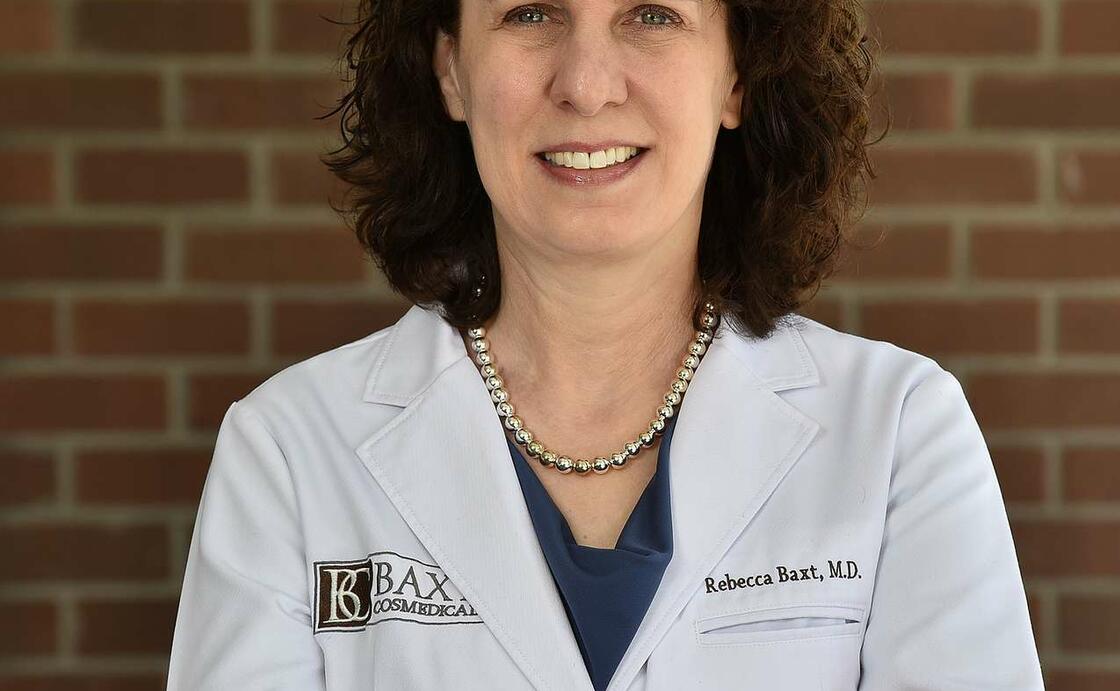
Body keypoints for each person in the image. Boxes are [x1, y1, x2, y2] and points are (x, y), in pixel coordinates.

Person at [166, 0, 1046, 686]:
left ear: (738, 75)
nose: (586, 85)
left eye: (652, 15)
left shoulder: (899, 436)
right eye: (531, 13)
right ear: (451, 70)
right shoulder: (289, 453)